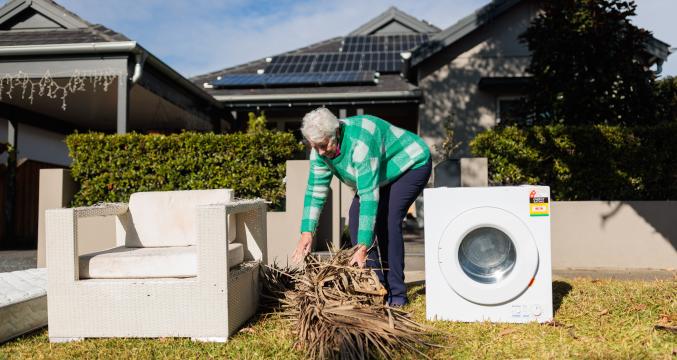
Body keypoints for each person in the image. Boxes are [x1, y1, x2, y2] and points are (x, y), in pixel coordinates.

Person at [292, 107, 431, 307]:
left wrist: (363, 246)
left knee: (388, 221)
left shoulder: (361, 143)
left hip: (410, 164)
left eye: (323, 145)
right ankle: (376, 287)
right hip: (380, 174)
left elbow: (368, 196)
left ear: (336, 133)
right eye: (315, 146)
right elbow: (315, 191)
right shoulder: (319, 153)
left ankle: (397, 295)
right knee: (356, 219)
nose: (321, 152)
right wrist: (307, 231)